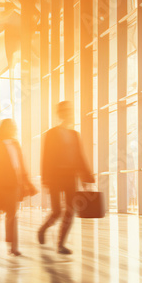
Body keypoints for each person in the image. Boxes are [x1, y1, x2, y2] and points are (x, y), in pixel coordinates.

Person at [38, 101, 94, 255]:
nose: (70, 114)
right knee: (57, 212)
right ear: (61, 114)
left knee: (70, 210)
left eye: (70, 111)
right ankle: (43, 229)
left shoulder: (75, 135)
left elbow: (80, 157)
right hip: (55, 177)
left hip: (70, 177)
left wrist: (86, 178)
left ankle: (61, 244)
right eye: (66, 112)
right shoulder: (52, 133)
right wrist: (45, 178)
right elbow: (46, 157)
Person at [0, 119, 35, 255]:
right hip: (2, 185)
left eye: (14, 126)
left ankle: (13, 247)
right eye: (11, 126)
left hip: (15, 184)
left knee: (12, 214)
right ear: (5, 128)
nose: (13, 128)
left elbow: (21, 165)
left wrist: (26, 182)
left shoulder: (16, 144)